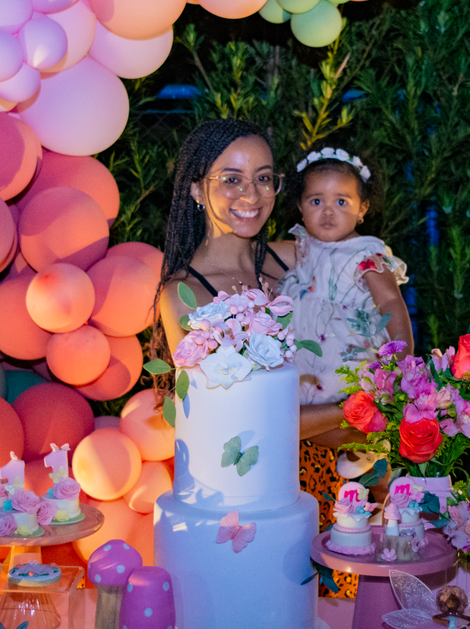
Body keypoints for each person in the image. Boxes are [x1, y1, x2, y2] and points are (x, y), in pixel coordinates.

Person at [279, 146, 413, 597]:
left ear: (363, 209)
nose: (328, 211)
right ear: (300, 207)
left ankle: (382, 484)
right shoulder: (300, 249)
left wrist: (401, 360)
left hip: (349, 361)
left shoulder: (365, 253)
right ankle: (362, 482)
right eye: (316, 200)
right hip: (308, 368)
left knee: (357, 422)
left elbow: (391, 303)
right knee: (310, 429)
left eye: (342, 201)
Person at [153, 118, 296, 372]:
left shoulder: (295, 258)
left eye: (263, 177)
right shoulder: (185, 295)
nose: (252, 195)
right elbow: (208, 395)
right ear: (197, 190)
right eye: (232, 180)